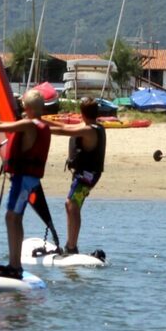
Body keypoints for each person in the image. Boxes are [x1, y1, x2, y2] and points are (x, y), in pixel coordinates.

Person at [0, 89, 90, 277]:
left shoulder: (29, 125)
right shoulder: (41, 124)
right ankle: (15, 264)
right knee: (14, 217)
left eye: (23, 104)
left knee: (12, 217)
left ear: (28, 107)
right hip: (29, 179)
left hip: (24, 179)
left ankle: (15, 266)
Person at [59, 97, 107, 256]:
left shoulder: (89, 130)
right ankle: (70, 244)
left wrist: (38, 126)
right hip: (84, 174)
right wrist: (39, 121)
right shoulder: (90, 127)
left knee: (72, 204)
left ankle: (72, 247)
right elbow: (64, 126)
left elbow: (63, 130)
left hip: (87, 175)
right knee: (71, 205)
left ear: (82, 113)